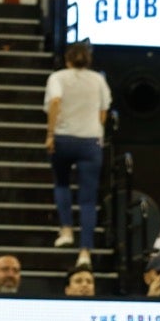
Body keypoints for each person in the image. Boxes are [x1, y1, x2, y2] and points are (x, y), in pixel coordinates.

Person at [45, 42, 111, 265]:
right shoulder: (98, 79)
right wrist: (95, 130)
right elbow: (104, 111)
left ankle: (66, 230)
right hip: (90, 139)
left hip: (64, 137)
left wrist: (51, 133)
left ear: (67, 59)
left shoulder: (58, 77)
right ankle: (85, 252)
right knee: (88, 198)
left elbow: (55, 102)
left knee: (62, 183)